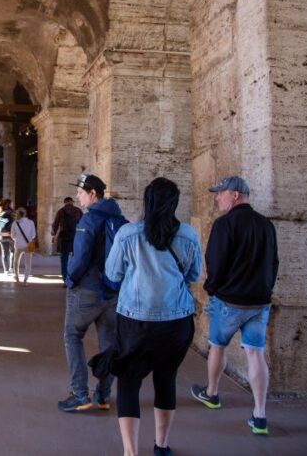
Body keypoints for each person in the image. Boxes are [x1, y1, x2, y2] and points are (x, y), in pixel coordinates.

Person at [104, 177, 202, 456]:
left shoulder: (128, 234)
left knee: (129, 381)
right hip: (177, 321)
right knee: (166, 379)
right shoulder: (188, 235)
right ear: (174, 203)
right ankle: (161, 446)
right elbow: (194, 275)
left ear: (147, 202)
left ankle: (131, 452)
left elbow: (113, 275)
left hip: (136, 320)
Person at [191, 175, 278, 436]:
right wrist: (265, 290)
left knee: (217, 346)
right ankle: (260, 414)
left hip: (229, 300)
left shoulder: (224, 224)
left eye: (221, 193)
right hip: (259, 301)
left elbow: (215, 263)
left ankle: (212, 393)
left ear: (235, 195)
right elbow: (274, 263)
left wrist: (212, 290)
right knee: (255, 353)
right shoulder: (265, 225)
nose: (217, 198)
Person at [58, 173, 124, 413]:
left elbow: (80, 257)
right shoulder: (121, 221)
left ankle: (79, 393)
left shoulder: (89, 220)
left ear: (92, 193)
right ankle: (104, 395)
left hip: (87, 289)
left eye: (80, 192)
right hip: (113, 292)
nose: (77, 195)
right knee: (109, 344)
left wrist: (70, 279)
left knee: (72, 336)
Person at [51, 197, 83, 282]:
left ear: (64, 202)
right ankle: (73, 277)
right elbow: (83, 224)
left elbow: (55, 225)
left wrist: (53, 235)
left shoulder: (61, 211)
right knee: (75, 257)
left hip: (63, 237)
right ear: (72, 202)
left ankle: (65, 279)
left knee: (64, 258)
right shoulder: (77, 211)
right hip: (74, 237)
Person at [11, 207, 36, 284]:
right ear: (25, 213)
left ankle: (17, 276)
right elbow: (33, 235)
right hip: (29, 245)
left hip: (18, 244)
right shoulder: (31, 222)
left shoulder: (15, 223)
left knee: (16, 261)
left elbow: (13, 235)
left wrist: (18, 239)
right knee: (28, 263)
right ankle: (25, 279)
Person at [0, 199, 15, 276]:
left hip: (2, 235)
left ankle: (5, 270)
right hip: (11, 235)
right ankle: (11, 268)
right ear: (10, 204)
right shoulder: (13, 213)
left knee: (4, 253)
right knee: (13, 251)